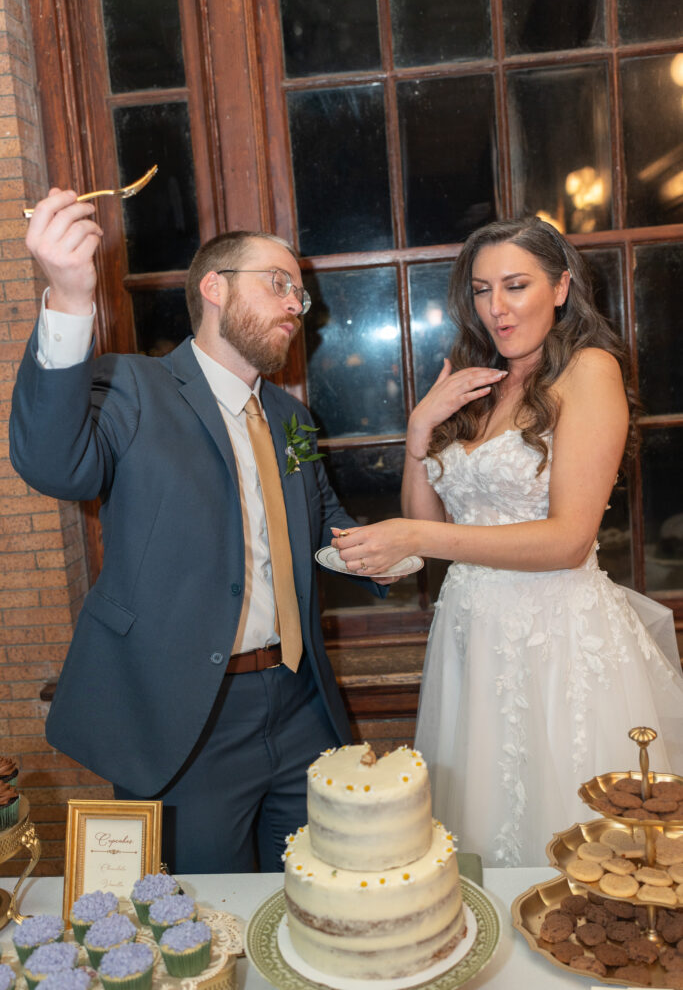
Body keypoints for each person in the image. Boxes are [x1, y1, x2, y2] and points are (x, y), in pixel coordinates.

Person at [10, 188, 390, 874]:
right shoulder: (132, 387)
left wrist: (381, 554)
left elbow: (322, 524)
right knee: (205, 923)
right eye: (278, 284)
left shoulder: (290, 419)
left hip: (302, 704)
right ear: (213, 287)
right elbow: (52, 462)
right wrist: (68, 300)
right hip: (186, 717)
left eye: (299, 298)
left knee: (316, 899)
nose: (292, 308)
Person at [331, 216, 683, 867]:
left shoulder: (588, 370)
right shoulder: (477, 381)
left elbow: (568, 540)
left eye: (515, 285)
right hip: (471, 633)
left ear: (559, 287)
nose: (496, 307)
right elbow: (425, 521)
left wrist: (414, 532)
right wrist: (418, 431)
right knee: (478, 826)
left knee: (571, 836)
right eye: (482, 289)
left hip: (554, 639)